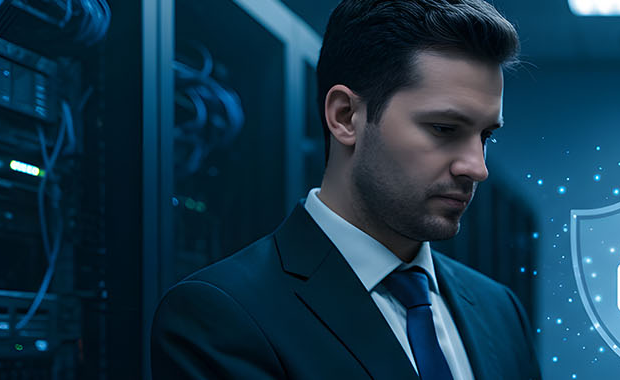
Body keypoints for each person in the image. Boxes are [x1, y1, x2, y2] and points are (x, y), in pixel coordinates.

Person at [150, 0, 539, 378]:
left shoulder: (499, 310)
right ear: (345, 117)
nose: (476, 167)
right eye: (444, 128)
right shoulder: (223, 315)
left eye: (485, 135)